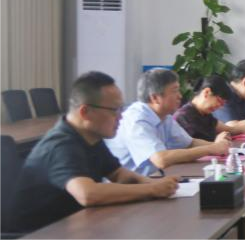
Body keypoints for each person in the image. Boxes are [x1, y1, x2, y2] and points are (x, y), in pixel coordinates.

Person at [10, 72, 178, 232]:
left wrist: (152, 183)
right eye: (114, 110)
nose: (121, 117)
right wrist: (152, 190)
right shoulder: (61, 145)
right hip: (39, 233)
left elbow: (119, 174)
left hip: (73, 225)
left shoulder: (90, 136)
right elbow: (87, 194)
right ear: (85, 112)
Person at [107, 68, 231, 176]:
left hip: (150, 179)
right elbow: (161, 159)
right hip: (124, 188)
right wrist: (211, 148)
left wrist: (218, 147)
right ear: (155, 98)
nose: (180, 96)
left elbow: (190, 143)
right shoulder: (137, 120)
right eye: (175, 91)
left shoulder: (164, 116)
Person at [174, 75, 243, 141]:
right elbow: (190, 145)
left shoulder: (206, 115)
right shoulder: (183, 117)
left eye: (222, 104)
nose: (219, 106)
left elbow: (230, 130)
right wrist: (216, 143)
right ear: (207, 92)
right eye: (219, 101)